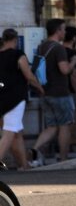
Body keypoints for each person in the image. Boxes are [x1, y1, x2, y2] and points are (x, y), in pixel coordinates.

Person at [0, 28, 44, 169]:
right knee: (9, 133)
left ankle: (24, 165)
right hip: (15, 98)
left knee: (17, 133)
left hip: (1, 98)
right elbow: (29, 75)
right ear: (16, 40)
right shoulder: (19, 54)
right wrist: (40, 87)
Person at [31, 18, 74, 165]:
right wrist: (73, 62)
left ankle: (35, 149)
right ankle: (63, 159)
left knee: (51, 127)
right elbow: (64, 69)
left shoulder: (42, 46)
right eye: (63, 29)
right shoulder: (58, 48)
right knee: (65, 125)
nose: (65, 32)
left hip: (45, 93)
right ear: (58, 31)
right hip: (60, 93)